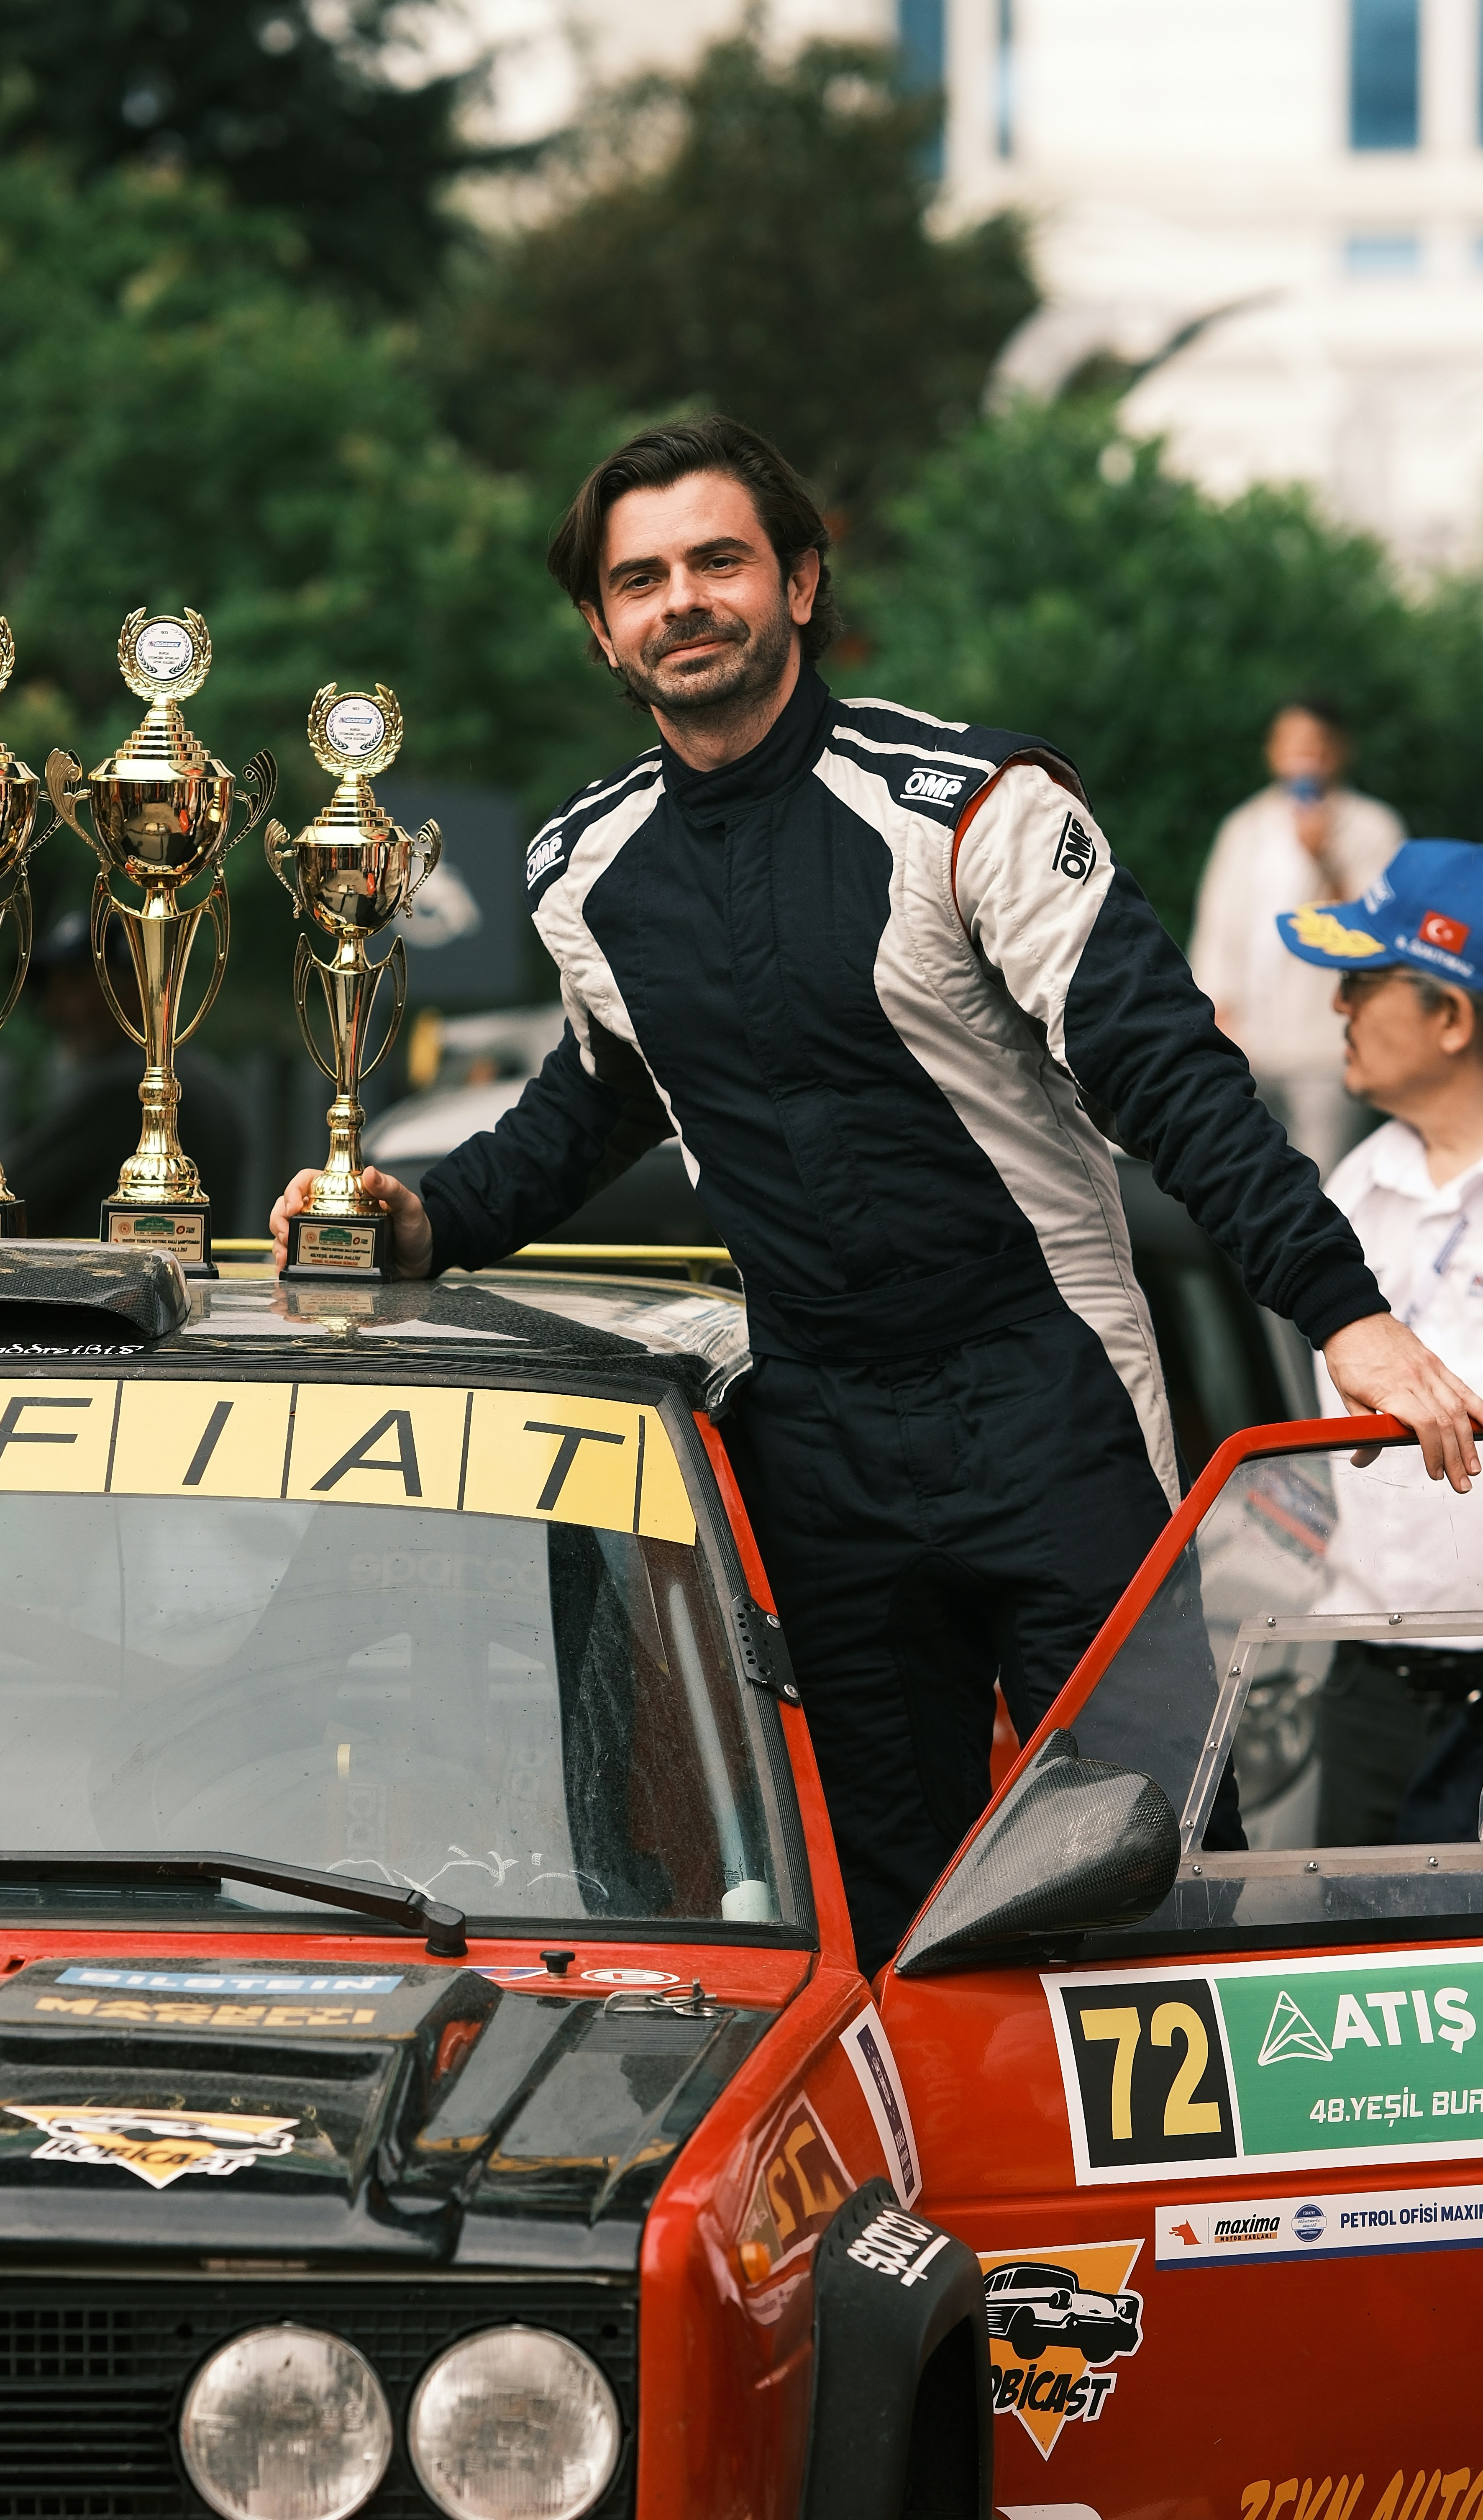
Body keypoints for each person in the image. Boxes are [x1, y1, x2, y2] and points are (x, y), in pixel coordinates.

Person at [271, 415, 1483, 1972]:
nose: (681, 602)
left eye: (720, 561)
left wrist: (1348, 1313)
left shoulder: (973, 805)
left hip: (1051, 1402)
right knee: (881, 1907)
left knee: (1144, 1879)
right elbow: (599, 1100)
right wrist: (419, 1220)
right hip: (819, 1435)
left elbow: (1169, 1074)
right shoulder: (585, 865)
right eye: (640, 580)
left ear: (800, 579)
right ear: (601, 627)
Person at [1277, 843, 1483, 1846]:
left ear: (1451, 1016)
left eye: (1362, 981)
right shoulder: (1352, 1187)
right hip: (1365, 1677)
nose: (1338, 1007)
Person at [1189, 698, 1404, 1176]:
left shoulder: (1372, 827)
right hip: (1245, 1042)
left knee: (1323, 1180)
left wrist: (1323, 855)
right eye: (1290, 742)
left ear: (1338, 751)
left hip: (1325, 1048)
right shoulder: (1244, 826)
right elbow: (1216, 926)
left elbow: (1374, 936)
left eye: (1314, 743)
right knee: (1248, 1177)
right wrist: (1215, 1009)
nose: (1301, 754)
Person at [0, 910, 247, 1239]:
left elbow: (4, 1203)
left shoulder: (124, 1092)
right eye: (51, 990)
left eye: (75, 984)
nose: (54, 1010)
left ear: (135, 987)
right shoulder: (209, 1081)